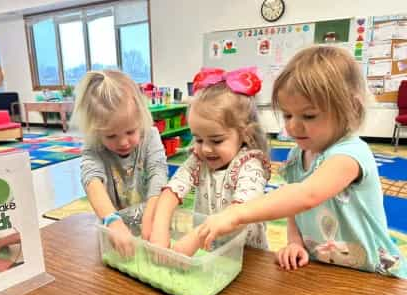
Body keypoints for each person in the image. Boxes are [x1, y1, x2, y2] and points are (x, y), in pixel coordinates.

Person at [192, 45, 407, 278]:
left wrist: (235, 214)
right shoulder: (298, 155)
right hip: (322, 268)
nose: (293, 126)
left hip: (373, 273)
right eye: (287, 115)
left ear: (351, 109)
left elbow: (306, 196)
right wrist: (295, 242)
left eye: (309, 115)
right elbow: (294, 207)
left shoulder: (351, 154)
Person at [150, 67, 271, 256]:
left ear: (245, 134)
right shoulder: (199, 160)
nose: (205, 148)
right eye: (198, 139)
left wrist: (196, 237)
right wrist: (159, 230)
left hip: (247, 256)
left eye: (216, 140)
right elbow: (171, 191)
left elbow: (239, 213)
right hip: (210, 252)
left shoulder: (250, 165)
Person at [74, 70, 168, 256]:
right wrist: (112, 221)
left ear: (141, 120)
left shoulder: (150, 136)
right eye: (111, 136)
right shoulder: (94, 146)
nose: (123, 142)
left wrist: (151, 218)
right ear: (95, 131)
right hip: (113, 230)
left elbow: (158, 171)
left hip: (150, 220)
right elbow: (91, 180)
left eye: (131, 132)